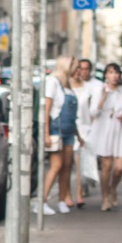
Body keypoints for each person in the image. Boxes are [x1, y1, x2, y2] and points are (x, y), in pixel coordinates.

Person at [88, 63, 122, 210]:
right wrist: (103, 97)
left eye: (116, 72)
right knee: (106, 165)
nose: (114, 76)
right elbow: (93, 112)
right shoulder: (99, 90)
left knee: (119, 167)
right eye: (110, 72)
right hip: (104, 128)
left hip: (120, 128)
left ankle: (113, 188)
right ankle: (104, 197)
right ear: (106, 75)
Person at [37, 56, 78, 215]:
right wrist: (46, 133)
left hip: (69, 131)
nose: (76, 70)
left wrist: (77, 135)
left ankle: (61, 200)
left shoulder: (67, 84)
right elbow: (46, 110)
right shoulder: (53, 82)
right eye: (74, 66)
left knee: (67, 166)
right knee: (56, 165)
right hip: (56, 130)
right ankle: (42, 201)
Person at [74, 58, 103, 206]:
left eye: (86, 69)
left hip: (92, 127)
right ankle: (79, 191)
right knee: (78, 159)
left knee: (91, 159)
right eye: (81, 68)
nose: (83, 72)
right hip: (77, 128)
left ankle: (87, 181)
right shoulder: (73, 84)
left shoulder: (97, 85)